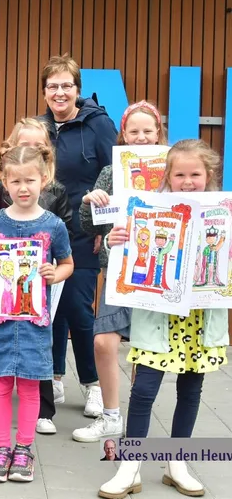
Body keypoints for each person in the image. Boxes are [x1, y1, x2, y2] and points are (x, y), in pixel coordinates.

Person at [98, 140, 227, 499]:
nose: (188, 181)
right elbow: (124, 254)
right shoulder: (147, 208)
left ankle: (177, 461)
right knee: (143, 391)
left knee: (191, 389)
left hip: (199, 321)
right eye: (180, 174)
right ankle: (130, 465)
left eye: (195, 174)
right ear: (167, 176)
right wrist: (114, 240)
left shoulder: (224, 211)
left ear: (209, 175)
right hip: (158, 318)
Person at [0, 145, 73, 483]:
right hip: (0, 319)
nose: (23, 188)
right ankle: (1, 448)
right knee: (0, 384)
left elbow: (68, 263)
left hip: (34, 322)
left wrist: (54, 274)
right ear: (4, 182)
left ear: (43, 180)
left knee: (30, 387)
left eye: (30, 180)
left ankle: (24, 449)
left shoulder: (54, 225)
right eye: (15, 181)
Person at [73, 101, 167, 443]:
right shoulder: (113, 173)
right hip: (119, 271)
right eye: (134, 131)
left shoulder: (173, 171)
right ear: (123, 136)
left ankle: (138, 419)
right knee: (103, 341)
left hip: (159, 274)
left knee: (145, 348)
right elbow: (90, 227)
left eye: (148, 130)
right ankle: (111, 416)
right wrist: (90, 204)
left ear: (158, 133)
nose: (141, 137)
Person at [40, 54, 117, 418]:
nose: (59, 92)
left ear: (77, 90)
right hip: (43, 230)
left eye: (66, 85)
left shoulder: (97, 125)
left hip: (85, 231)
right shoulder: (40, 128)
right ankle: (54, 378)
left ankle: (92, 384)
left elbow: (115, 175)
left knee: (77, 307)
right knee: (51, 309)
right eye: (52, 86)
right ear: (44, 92)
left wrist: (104, 225)